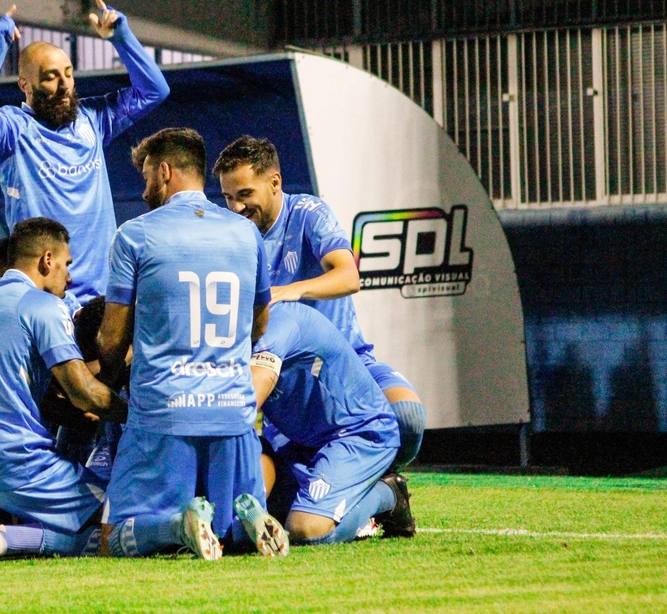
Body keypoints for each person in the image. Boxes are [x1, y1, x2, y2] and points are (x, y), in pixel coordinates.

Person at [97, 127, 287, 560]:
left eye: (147, 176)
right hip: (234, 414)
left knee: (112, 537)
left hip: (163, 413)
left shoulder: (135, 235)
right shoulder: (246, 234)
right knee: (225, 531)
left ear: (164, 172)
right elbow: (259, 323)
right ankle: (249, 518)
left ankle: (177, 526)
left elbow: (111, 337)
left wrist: (111, 371)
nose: (144, 190)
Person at [213, 136, 427, 471]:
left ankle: (385, 480)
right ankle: (371, 491)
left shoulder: (307, 212)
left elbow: (348, 276)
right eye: (228, 198)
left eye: (245, 194)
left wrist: (291, 291)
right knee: (292, 482)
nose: (237, 207)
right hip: (288, 388)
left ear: (274, 182)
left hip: (350, 365)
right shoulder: (232, 237)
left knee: (407, 418)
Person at [0, 217, 126, 563]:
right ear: (47, 260)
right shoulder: (43, 305)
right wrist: (136, 415)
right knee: (117, 514)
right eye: (67, 264)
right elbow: (84, 393)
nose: (69, 277)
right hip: (12, 464)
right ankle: (5, 538)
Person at [0, 0, 170, 303]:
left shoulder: (93, 119)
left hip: (104, 296)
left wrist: (122, 38)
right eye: (50, 77)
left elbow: (154, 90)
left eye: (68, 73)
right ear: (25, 85)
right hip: (44, 298)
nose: (64, 85)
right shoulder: (13, 130)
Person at [252, 302, 415, 545]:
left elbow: (246, 402)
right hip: (300, 441)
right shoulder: (221, 339)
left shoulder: (281, 323)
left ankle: (388, 494)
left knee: (306, 529)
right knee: (253, 525)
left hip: (358, 434)